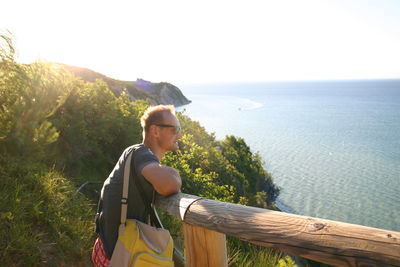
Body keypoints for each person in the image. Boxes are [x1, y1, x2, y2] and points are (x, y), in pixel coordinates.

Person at [92, 105, 183, 267]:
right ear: (155, 131)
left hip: (108, 248)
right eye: (175, 129)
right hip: (120, 255)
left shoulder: (133, 152)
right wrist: (175, 174)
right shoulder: (142, 154)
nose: (180, 135)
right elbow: (170, 185)